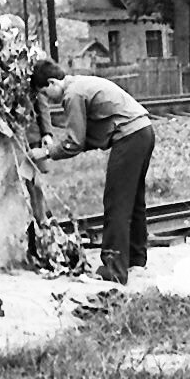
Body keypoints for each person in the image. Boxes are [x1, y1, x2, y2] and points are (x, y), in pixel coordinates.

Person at [27, 59, 155, 285]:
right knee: (134, 201)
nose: (48, 99)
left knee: (116, 202)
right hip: (144, 130)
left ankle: (114, 269)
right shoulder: (80, 83)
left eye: (45, 93)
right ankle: (136, 259)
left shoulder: (72, 95)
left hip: (128, 136)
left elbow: (75, 142)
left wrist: (46, 153)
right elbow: (86, 137)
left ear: (52, 82)